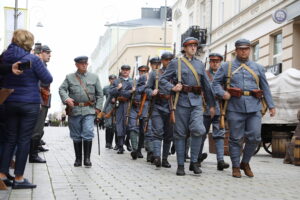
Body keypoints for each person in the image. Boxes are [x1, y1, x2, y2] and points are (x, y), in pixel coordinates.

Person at [212, 39, 276, 178]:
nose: (244, 51)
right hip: (235, 107)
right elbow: (215, 84)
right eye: (241, 49)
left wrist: (271, 105)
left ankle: (245, 162)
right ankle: (235, 166)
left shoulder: (258, 67)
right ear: (236, 50)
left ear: (250, 50)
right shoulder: (226, 67)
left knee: (255, 137)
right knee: (236, 138)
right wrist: (223, 93)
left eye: (246, 49)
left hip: (254, 107)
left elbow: (265, 87)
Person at [0, 29, 53, 189]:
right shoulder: (33, 59)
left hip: (9, 102)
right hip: (29, 103)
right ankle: (19, 178)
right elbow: (47, 78)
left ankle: (2, 175)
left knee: (10, 139)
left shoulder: (5, 57)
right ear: (28, 42)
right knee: (23, 140)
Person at [160, 37, 216, 176]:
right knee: (180, 134)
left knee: (199, 129)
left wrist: (211, 104)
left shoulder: (200, 64)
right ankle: (180, 165)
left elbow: (206, 86)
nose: (193, 48)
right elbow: (162, 81)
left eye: (195, 46)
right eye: (190, 46)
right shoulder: (176, 63)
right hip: (181, 102)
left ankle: (194, 162)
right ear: (184, 48)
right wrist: (173, 87)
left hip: (197, 102)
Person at [59, 56, 103, 168]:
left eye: (86, 63)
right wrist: (66, 99)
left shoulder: (94, 77)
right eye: (81, 63)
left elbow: (100, 94)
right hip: (74, 110)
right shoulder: (69, 77)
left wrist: (98, 108)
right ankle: (78, 159)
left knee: (88, 131)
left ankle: (87, 159)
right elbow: (61, 89)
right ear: (76, 65)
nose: (84, 65)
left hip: (89, 110)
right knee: (76, 135)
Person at [197, 53, 230, 170]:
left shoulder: (225, 76)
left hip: (219, 109)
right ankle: (196, 158)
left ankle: (220, 160)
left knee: (220, 135)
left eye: (217, 61)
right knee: (201, 134)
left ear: (220, 62)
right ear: (209, 62)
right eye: (213, 61)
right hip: (205, 108)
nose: (215, 63)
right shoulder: (204, 75)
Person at [145, 52, 174, 168]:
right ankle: (157, 157)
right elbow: (147, 88)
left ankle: (165, 159)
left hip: (171, 106)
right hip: (157, 105)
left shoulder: (177, 74)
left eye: (171, 60)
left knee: (168, 134)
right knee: (158, 131)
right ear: (162, 61)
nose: (169, 62)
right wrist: (151, 92)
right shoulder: (155, 74)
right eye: (166, 60)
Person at [29, 45, 53, 163]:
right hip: (40, 99)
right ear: (41, 53)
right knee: (37, 129)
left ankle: (34, 151)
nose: (50, 55)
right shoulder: (38, 64)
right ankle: (33, 155)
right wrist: (38, 100)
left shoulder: (42, 65)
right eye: (47, 53)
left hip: (43, 98)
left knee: (38, 128)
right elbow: (37, 84)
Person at [109, 65, 134, 154]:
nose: (125, 71)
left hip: (130, 105)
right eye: (123, 70)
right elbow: (111, 92)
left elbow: (136, 93)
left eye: (127, 70)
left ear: (129, 71)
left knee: (129, 125)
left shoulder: (133, 81)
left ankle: (127, 142)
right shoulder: (117, 81)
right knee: (119, 125)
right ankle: (120, 146)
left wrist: (128, 92)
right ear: (121, 71)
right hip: (119, 105)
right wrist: (117, 88)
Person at [128, 65, 149, 159]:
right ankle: (135, 150)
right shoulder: (133, 82)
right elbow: (123, 93)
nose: (143, 73)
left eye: (145, 71)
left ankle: (140, 149)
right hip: (134, 107)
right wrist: (130, 91)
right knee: (133, 128)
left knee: (143, 130)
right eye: (141, 71)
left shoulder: (151, 82)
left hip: (145, 108)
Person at [102, 74, 117, 149]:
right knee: (108, 125)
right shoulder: (105, 88)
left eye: (114, 79)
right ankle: (107, 143)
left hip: (116, 108)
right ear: (109, 80)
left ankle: (111, 143)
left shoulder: (118, 87)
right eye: (111, 79)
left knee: (114, 126)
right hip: (108, 108)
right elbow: (101, 96)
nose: (113, 80)